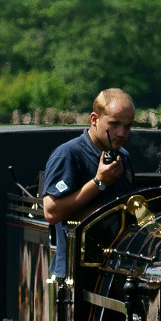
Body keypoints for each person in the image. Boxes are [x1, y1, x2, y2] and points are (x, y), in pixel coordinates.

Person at [41, 88, 137, 278]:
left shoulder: (123, 157)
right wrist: (99, 182)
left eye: (127, 126)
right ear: (94, 119)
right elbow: (50, 211)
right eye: (115, 124)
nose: (121, 133)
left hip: (113, 270)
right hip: (75, 274)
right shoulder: (68, 154)